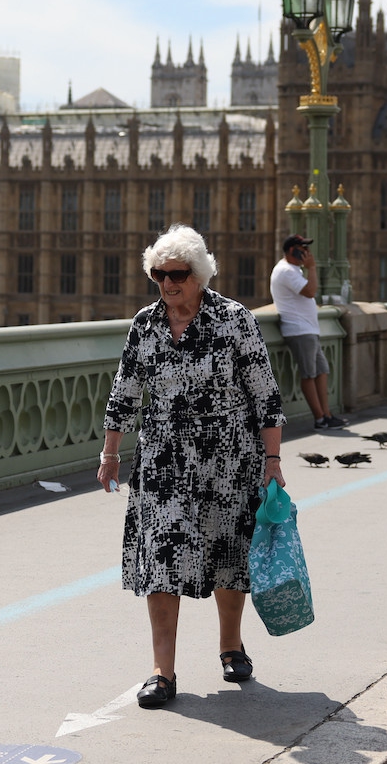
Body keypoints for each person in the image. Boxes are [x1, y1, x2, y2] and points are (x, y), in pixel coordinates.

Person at [99, 224, 286, 708]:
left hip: (227, 459)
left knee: (228, 554)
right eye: (159, 275)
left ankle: (231, 644)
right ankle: (163, 671)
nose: (167, 284)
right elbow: (125, 390)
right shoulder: (145, 323)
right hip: (162, 461)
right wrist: (110, 452)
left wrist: (273, 460)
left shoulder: (234, 319)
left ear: (199, 274)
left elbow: (265, 394)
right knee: (162, 559)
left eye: (177, 274)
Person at [270, 234, 343, 430]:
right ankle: (320, 419)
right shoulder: (286, 271)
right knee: (309, 374)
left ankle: (327, 415)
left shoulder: (293, 270)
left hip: (308, 329)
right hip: (299, 329)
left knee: (322, 370)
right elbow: (310, 291)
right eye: (303, 248)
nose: (307, 252)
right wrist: (311, 268)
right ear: (292, 250)